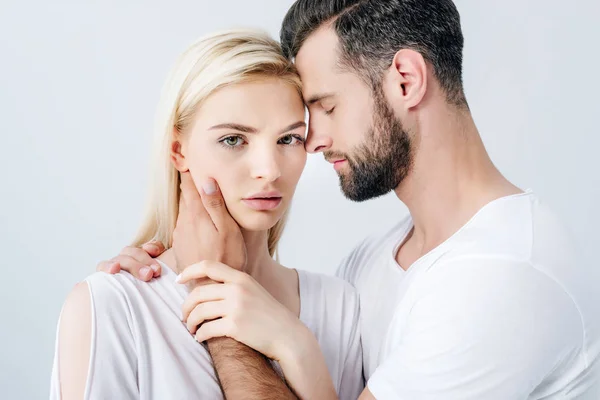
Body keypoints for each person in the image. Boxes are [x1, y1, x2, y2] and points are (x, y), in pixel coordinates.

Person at [102, 0, 600, 399]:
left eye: (326, 106)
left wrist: (275, 335)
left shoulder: (502, 273)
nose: (313, 141)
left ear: (406, 80)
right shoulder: (369, 264)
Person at [50, 29, 364, 400]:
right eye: (234, 139)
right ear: (178, 150)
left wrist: (298, 347)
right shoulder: (112, 308)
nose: (269, 170)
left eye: (288, 139)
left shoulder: (339, 305)